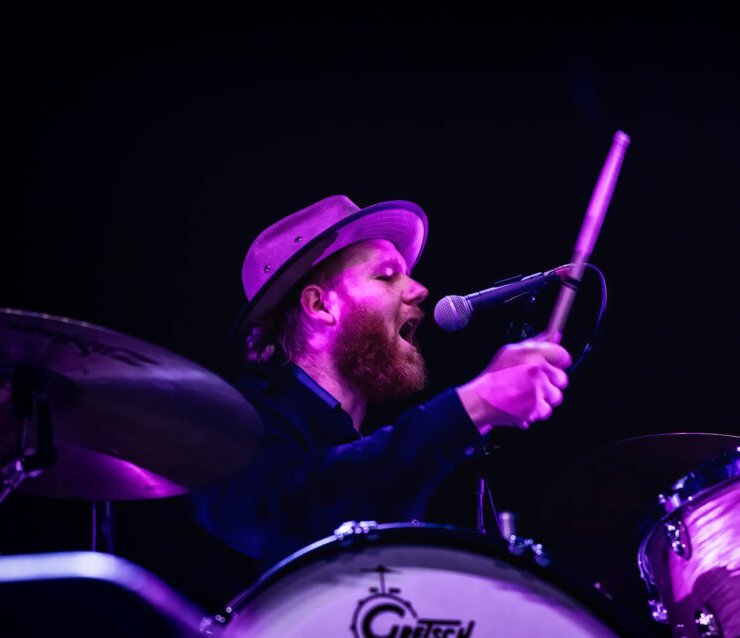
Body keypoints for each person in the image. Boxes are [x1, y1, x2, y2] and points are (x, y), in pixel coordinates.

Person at [193, 194, 571, 578]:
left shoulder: (375, 438)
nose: (419, 290)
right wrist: (472, 405)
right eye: (386, 276)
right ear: (320, 306)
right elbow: (289, 517)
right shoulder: (237, 424)